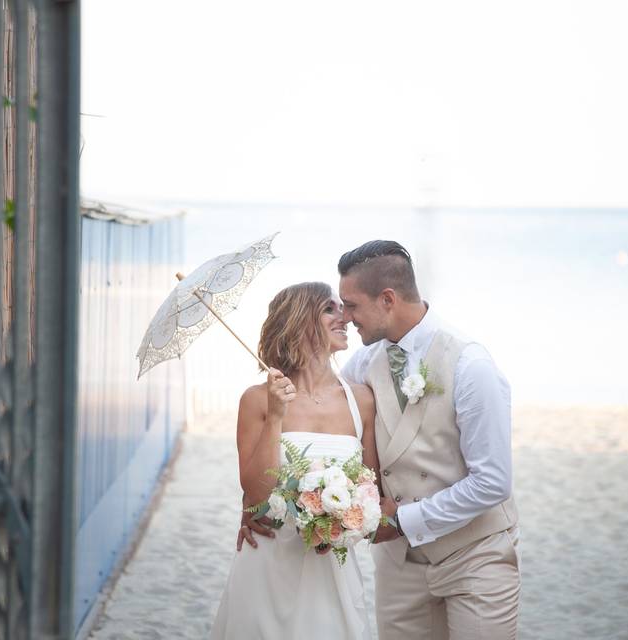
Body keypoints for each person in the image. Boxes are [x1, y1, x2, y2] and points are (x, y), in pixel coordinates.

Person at [240, 241, 520, 639]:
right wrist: (259, 505)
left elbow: (492, 481)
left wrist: (402, 519)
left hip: (475, 558)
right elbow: (315, 412)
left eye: (351, 305)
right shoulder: (363, 365)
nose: (346, 317)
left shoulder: (470, 366)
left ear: (387, 299)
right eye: (337, 307)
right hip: (399, 568)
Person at [211, 282, 378, 640]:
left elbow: (373, 487)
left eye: (343, 308)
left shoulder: (362, 400)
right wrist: (275, 415)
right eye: (330, 309)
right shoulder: (257, 400)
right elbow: (256, 496)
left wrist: (342, 517)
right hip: (268, 560)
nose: (344, 317)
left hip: (331, 569)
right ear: (301, 322)